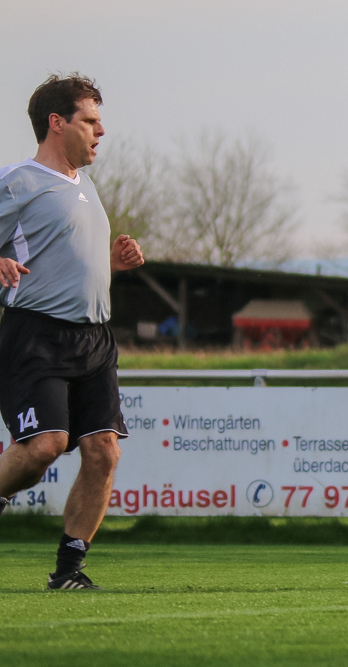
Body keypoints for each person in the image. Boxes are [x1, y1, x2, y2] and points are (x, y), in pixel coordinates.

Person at [0, 74, 144, 590]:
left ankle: (68, 571)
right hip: (36, 336)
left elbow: (66, 262)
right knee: (44, 447)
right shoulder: (17, 181)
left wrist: (111, 265)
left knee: (104, 451)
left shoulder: (85, 185)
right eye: (90, 120)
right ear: (56, 123)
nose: (101, 130)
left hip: (95, 339)